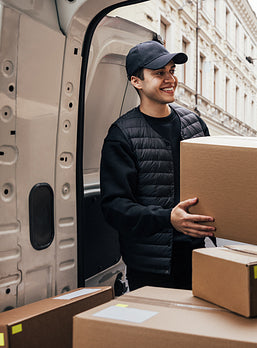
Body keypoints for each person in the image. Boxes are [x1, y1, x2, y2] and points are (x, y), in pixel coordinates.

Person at [100, 40, 216, 291]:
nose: (169, 79)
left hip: (195, 253)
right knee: (159, 330)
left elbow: (211, 179)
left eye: (171, 71)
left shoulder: (194, 123)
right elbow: (115, 207)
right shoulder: (122, 134)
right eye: (159, 73)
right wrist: (167, 218)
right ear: (136, 81)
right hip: (150, 265)